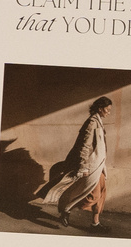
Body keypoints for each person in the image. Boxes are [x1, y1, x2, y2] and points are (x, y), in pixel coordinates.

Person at [28, 96, 113, 228]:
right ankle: (66, 210)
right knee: (92, 195)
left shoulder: (99, 122)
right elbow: (84, 146)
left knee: (101, 192)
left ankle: (95, 224)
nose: (109, 112)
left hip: (99, 165)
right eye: (107, 109)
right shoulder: (92, 122)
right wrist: (83, 167)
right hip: (91, 166)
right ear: (100, 109)